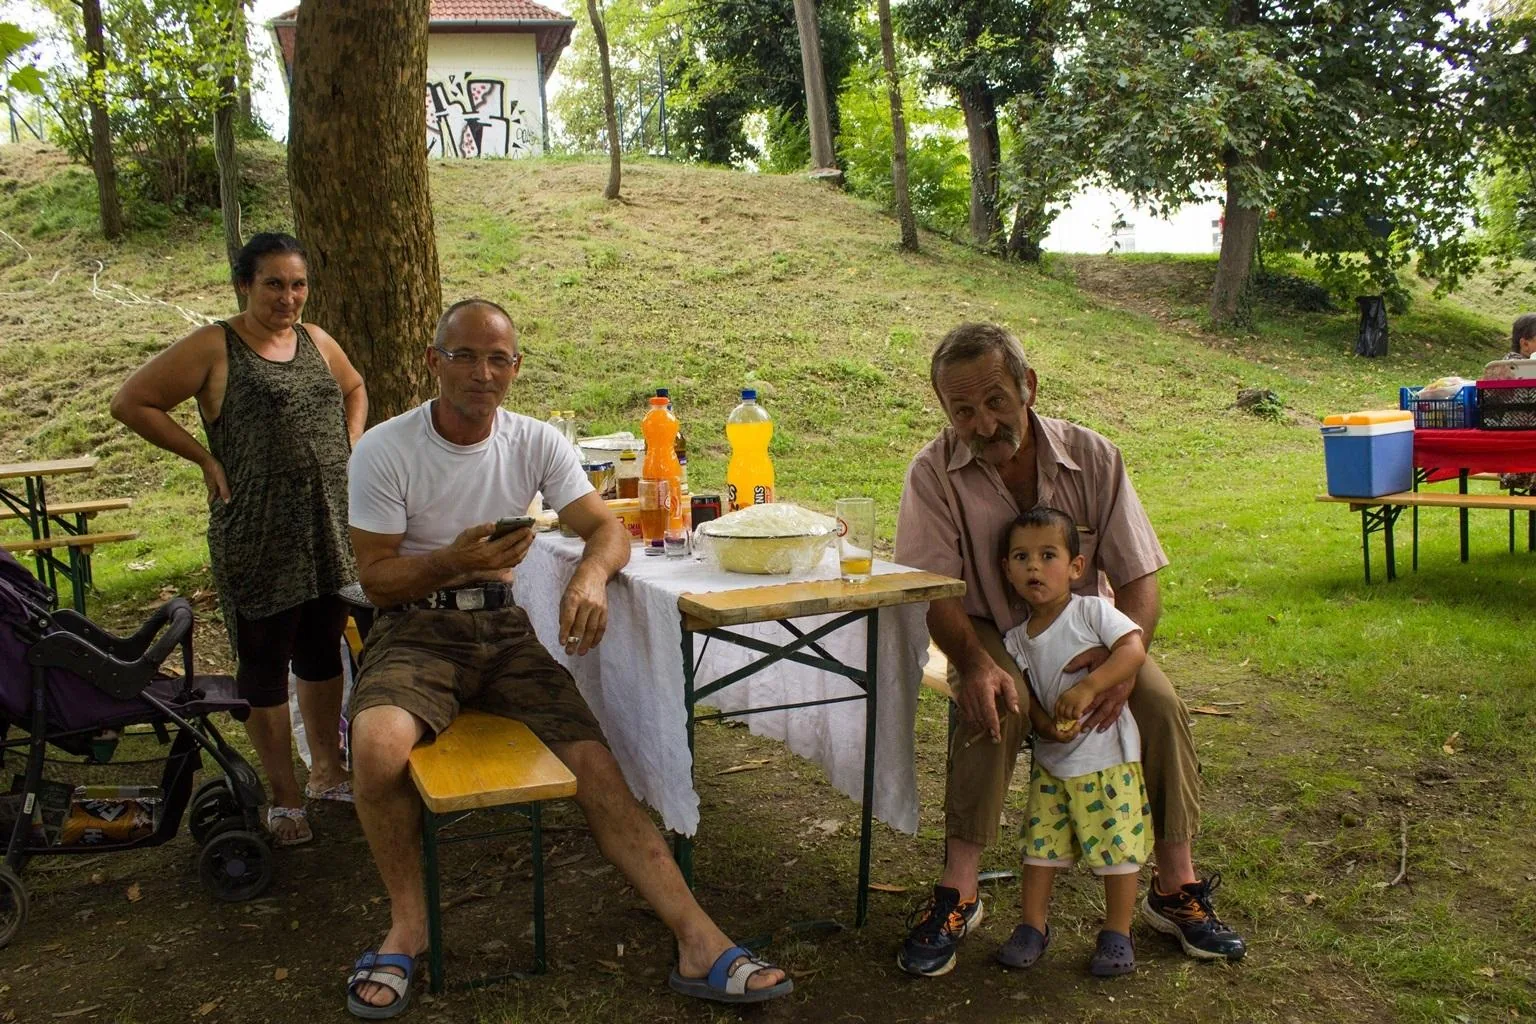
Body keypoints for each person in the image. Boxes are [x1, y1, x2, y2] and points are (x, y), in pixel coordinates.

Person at [341, 298, 792, 1018]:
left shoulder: (535, 441)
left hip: (505, 632)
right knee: (376, 746)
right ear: (433, 362)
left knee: (595, 765)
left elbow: (604, 527)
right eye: (464, 356)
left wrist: (590, 574)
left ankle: (698, 938)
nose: (482, 373)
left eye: (498, 359)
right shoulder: (386, 449)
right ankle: (408, 925)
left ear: (515, 369)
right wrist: (452, 563)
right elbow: (375, 578)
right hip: (417, 629)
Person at [893, 321, 1245, 977]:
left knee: (1159, 706)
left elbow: (1139, 583)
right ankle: (959, 890)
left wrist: (1125, 664)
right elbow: (933, 591)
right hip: (987, 627)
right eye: (962, 409)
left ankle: (1175, 888)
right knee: (992, 701)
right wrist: (972, 663)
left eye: (996, 400)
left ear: (1029, 387)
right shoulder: (932, 473)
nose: (983, 421)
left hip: (1089, 631)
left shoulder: (1095, 455)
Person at [111, 232, 364, 848]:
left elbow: (355, 388)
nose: (288, 297)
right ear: (244, 285)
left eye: (297, 283)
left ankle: (328, 772)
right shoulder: (214, 345)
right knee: (263, 666)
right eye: (273, 283)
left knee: (321, 655)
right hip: (256, 532)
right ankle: (284, 798)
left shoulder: (316, 340)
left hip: (326, 527)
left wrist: (354, 442)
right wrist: (203, 457)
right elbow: (132, 402)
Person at [994, 506, 1150, 977]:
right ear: (1007, 570)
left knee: (1116, 850)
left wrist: (1089, 688)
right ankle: (1032, 927)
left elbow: (1133, 649)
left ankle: (1118, 933)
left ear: (1076, 567)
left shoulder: (1091, 611)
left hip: (1106, 759)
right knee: (1039, 849)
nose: (1034, 567)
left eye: (1048, 555)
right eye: (1021, 557)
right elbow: (1026, 687)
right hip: (1052, 763)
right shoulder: (1015, 637)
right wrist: (1040, 722)